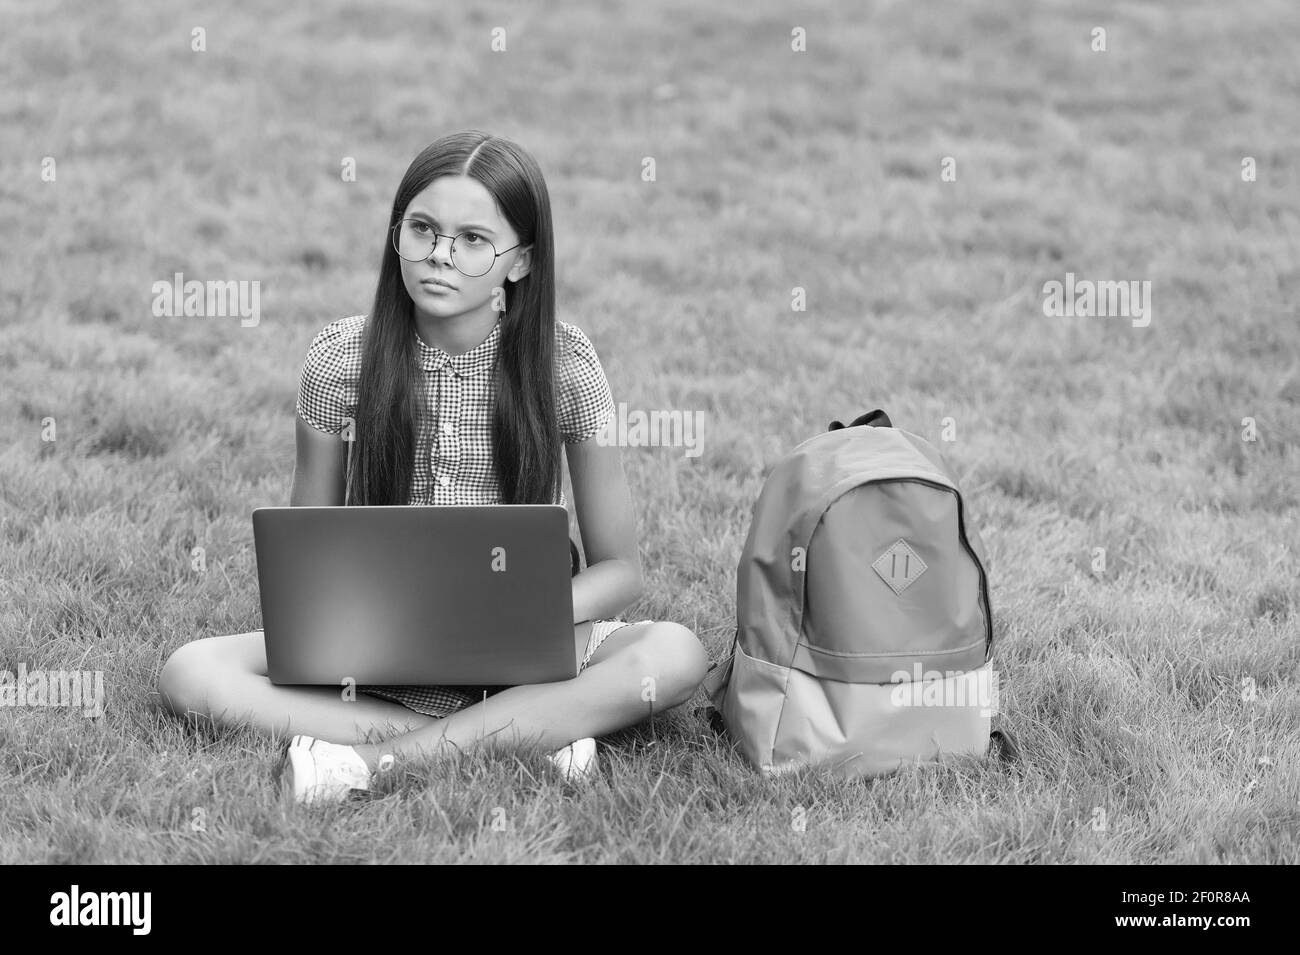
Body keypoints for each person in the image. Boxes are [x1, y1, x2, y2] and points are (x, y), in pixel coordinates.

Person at [158, 130, 710, 805]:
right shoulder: (339, 361)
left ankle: (374, 759)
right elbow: (307, 550)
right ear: (398, 234)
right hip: (380, 642)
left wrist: (522, 616)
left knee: (676, 654)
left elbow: (621, 568)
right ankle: (529, 734)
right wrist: (353, 620)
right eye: (422, 229)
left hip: (529, 643)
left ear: (521, 262)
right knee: (191, 672)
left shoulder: (565, 366)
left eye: (474, 239)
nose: (440, 255)